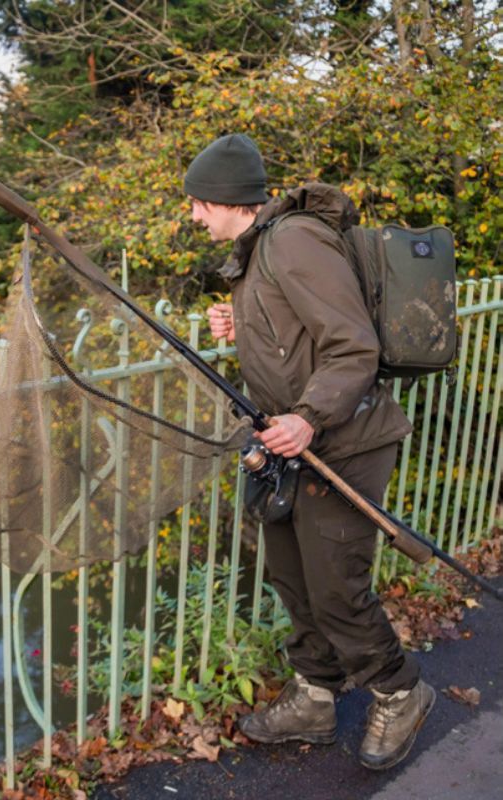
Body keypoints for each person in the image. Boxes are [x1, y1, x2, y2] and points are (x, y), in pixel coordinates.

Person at [182, 133, 434, 770]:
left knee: (335, 589)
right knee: (293, 579)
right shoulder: (259, 248)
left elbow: (353, 346)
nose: (192, 216)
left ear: (226, 198)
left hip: (343, 441)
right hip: (292, 448)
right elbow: (297, 332)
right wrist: (241, 324)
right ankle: (315, 697)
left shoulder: (292, 239)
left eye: (197, 203)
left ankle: (400, 691)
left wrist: (307, 417)